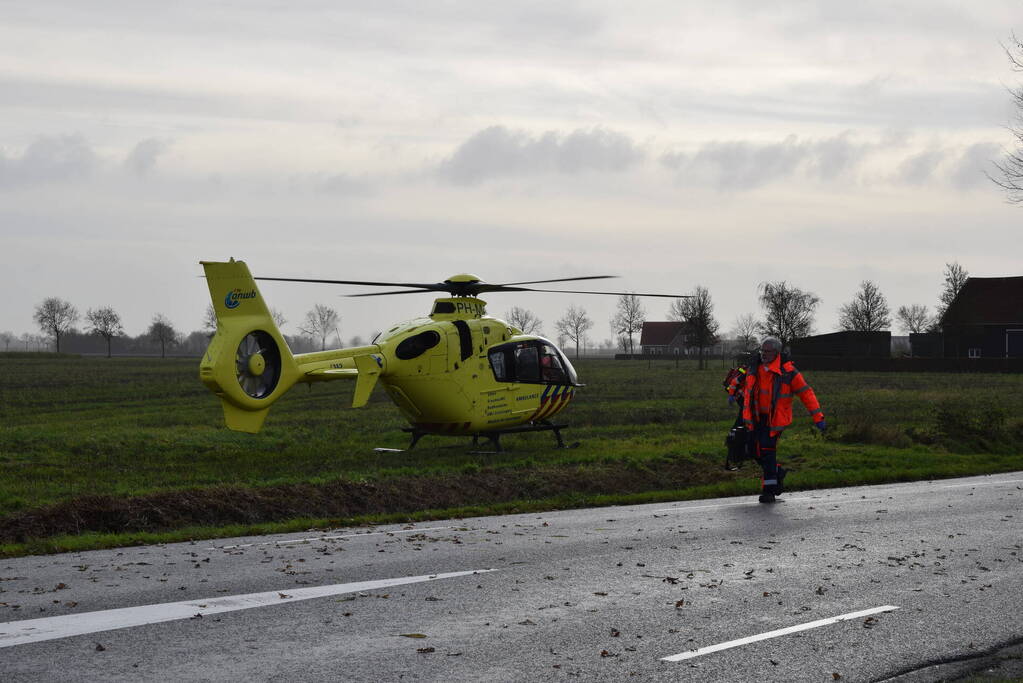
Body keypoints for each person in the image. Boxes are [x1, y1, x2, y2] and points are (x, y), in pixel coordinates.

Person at [740, 337, 826, 503]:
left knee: (766, 451)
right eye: (762, 351)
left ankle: (770, 491)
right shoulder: (753, 367)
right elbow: (742, 384)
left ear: (777, 353)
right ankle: (778, 472)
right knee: (752, 450)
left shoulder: (788, 372)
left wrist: (818, 417)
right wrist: (732, 393)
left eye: (767, 351)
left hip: (775, 420)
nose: (764, 354)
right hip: (755, 418)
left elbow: (806, 393)